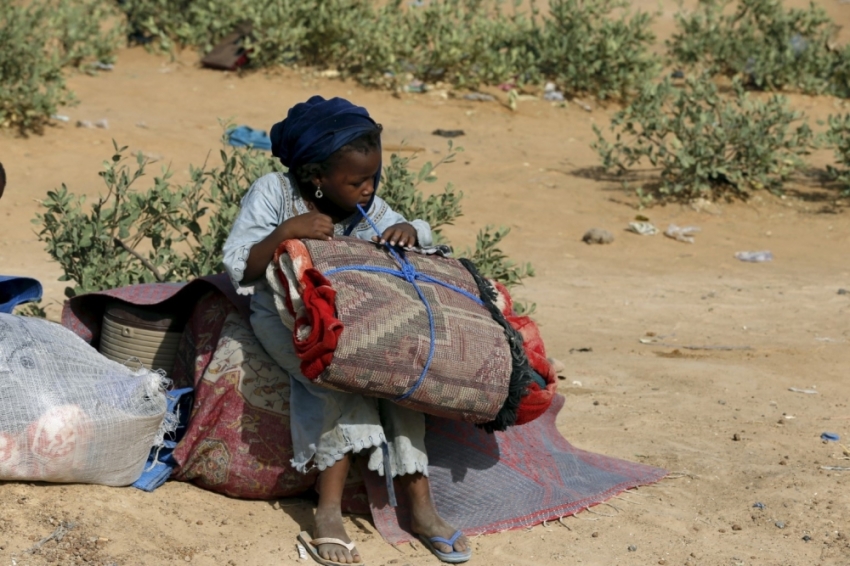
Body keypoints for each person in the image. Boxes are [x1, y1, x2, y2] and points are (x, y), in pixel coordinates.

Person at [223, 96, 471, 566]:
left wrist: (409, 231)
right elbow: (242, 266)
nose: (368, 188)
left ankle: (421, 507)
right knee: (338, 377)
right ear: (317, 177)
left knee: (398, 380)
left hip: (353, 318)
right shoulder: (274, 192)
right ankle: (329, 512)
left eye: (374, 177)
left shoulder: (366, 204)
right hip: (282, 316)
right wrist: (285, 233)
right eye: (356, 180)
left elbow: (412, 228)